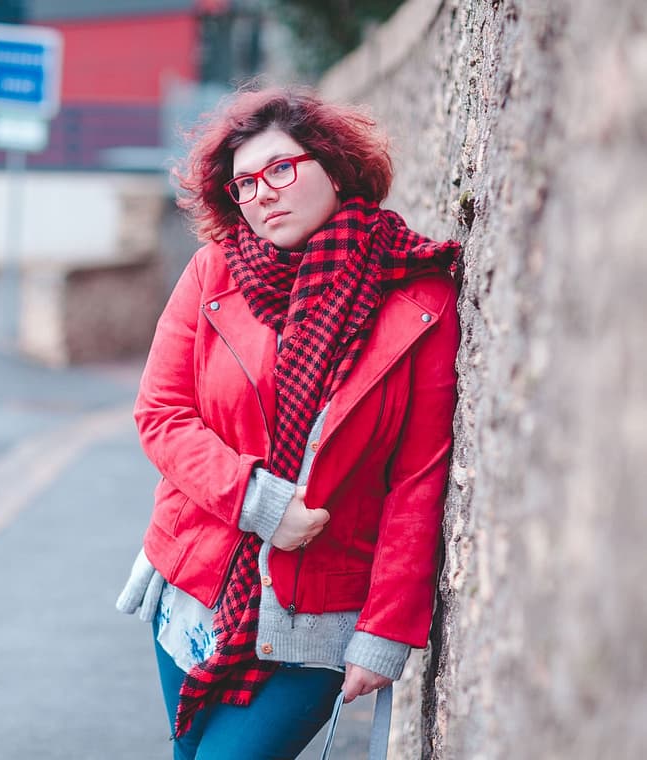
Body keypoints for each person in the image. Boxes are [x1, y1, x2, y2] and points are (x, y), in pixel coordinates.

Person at [116, 84, 461, 759]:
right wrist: (261, 502)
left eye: (280, 169)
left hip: (317, 622)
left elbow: (418, 481)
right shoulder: (213, 272)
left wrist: (386, 630)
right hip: (195, 589)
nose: (262, 194)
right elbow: (161, 414)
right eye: (245, 183)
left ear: (333, 167)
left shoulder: (419, 296)